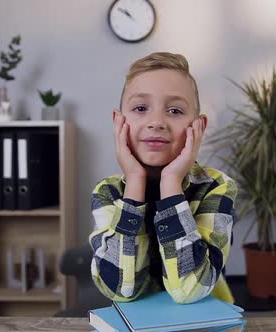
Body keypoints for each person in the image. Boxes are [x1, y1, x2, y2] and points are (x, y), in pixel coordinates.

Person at [89, 52, 238, 304]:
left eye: (174, 110)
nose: (156, 122)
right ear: (119, 122)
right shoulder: (107, 192)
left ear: (197, 126)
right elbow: (120, 290)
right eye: (140, 108)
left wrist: (171, 184)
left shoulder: (217, 186)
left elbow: (189, 289)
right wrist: (135, 182)